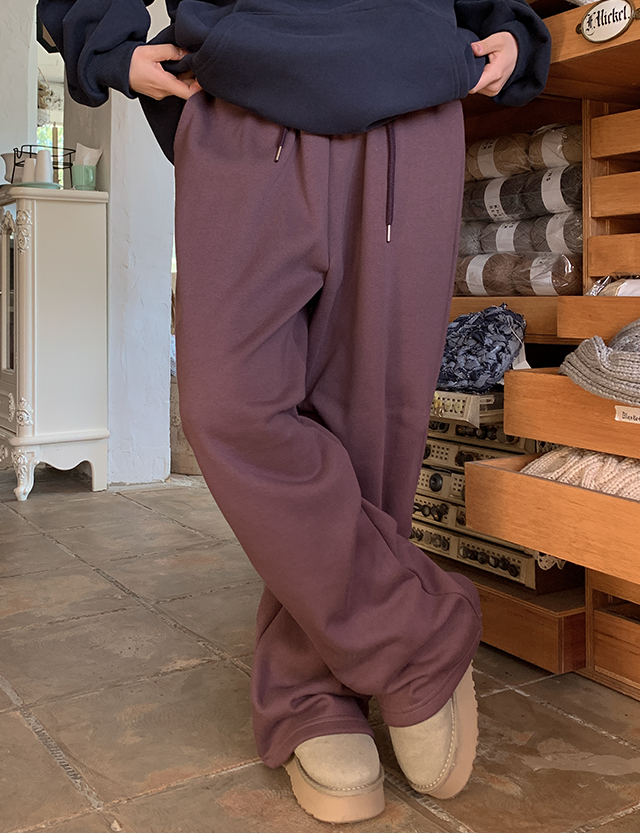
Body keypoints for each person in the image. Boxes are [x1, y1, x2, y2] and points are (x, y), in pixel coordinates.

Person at [38, 0, 551, 823]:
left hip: (409, 102)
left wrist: (510, 25)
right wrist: (102, 39)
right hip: (242, 101)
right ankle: (416, 635)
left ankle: (311, 692)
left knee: (371, 423)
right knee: (227, 406)